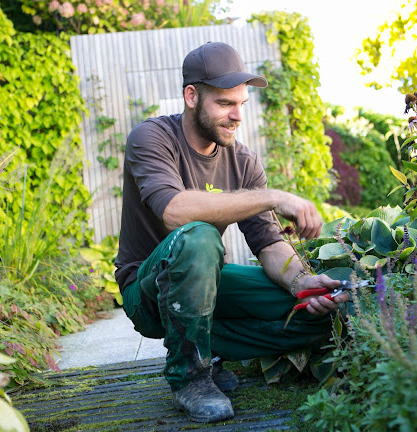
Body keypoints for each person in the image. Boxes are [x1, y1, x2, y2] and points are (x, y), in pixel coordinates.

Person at [114, 41, 349, 424]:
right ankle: (189, 377)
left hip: (205, 283)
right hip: (146, 291)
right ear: (192, 96)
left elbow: (270, 244)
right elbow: (174, 212)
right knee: (199, 236)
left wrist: (301, 282)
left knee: (314, 311)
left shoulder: (244, 161)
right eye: (225, 103)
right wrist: (271, 196)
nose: (237, 115)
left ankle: (203, 348)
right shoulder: (151, 138)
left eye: (241, 103)